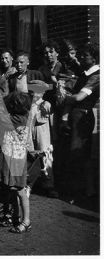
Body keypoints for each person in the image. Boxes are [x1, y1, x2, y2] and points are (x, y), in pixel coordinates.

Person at [0, 91, 34, 234]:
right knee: (13, 189)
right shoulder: (23, 116)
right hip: (15, 156)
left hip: (13, 158)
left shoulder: (13, 119)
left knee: (20, 191)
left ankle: (26, 221)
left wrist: (3, 104)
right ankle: (15, 217)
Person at [61, 44, 100, 198]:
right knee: (81, 154)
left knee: (78, 153)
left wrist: (64, 98)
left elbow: (79, 97)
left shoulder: (96, 75)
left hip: (82, 115)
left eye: (85, 55)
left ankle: (81, 192)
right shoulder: (86, 73)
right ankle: (87, 190)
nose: (82, 58)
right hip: (77, 114)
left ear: (94, 57)